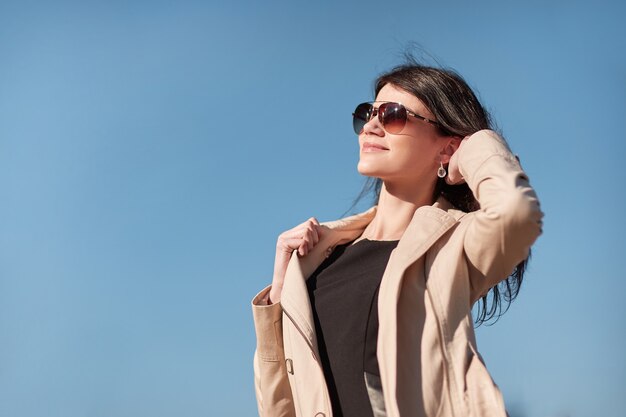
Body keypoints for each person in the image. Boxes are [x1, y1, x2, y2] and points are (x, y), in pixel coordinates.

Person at [251, 62, 543, 417]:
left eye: (393, 116)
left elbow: (516, 211)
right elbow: (279, 405)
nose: (371, 126)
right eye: (367, 113)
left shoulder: (454, 245)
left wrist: (473, 149)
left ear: (446, 148)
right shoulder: (318, 259)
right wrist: (281, 289)